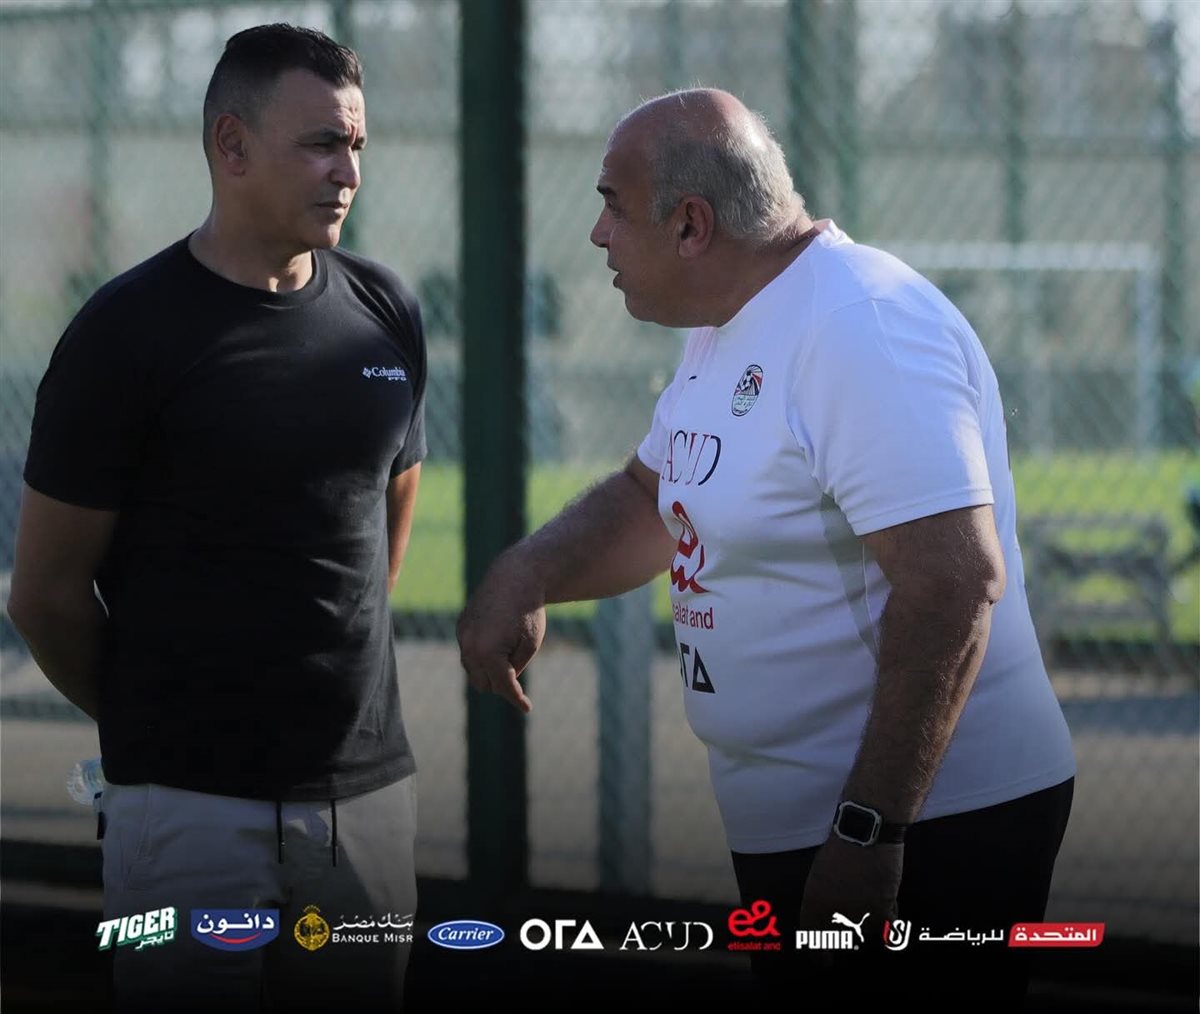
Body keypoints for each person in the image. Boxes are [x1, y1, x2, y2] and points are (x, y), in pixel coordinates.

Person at [457, 88, 1076, 1004]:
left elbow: (953, 586)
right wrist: (529, 569)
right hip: (805, 820)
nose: (597, 234)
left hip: (930, 826)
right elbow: (652, 498)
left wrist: (869, 831)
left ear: (691, 225)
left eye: (613, 206)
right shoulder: (731, 322)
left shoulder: (858, 325)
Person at [8, 24, 425, 1014]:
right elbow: (46, 596)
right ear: (231, 146)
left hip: (367, 798)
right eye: (320, 144)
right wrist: (157, 728)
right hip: (182, 812)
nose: (346, 172)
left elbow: (388, 511)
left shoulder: (385, 308)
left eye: (356, 145)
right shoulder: (123, 335)